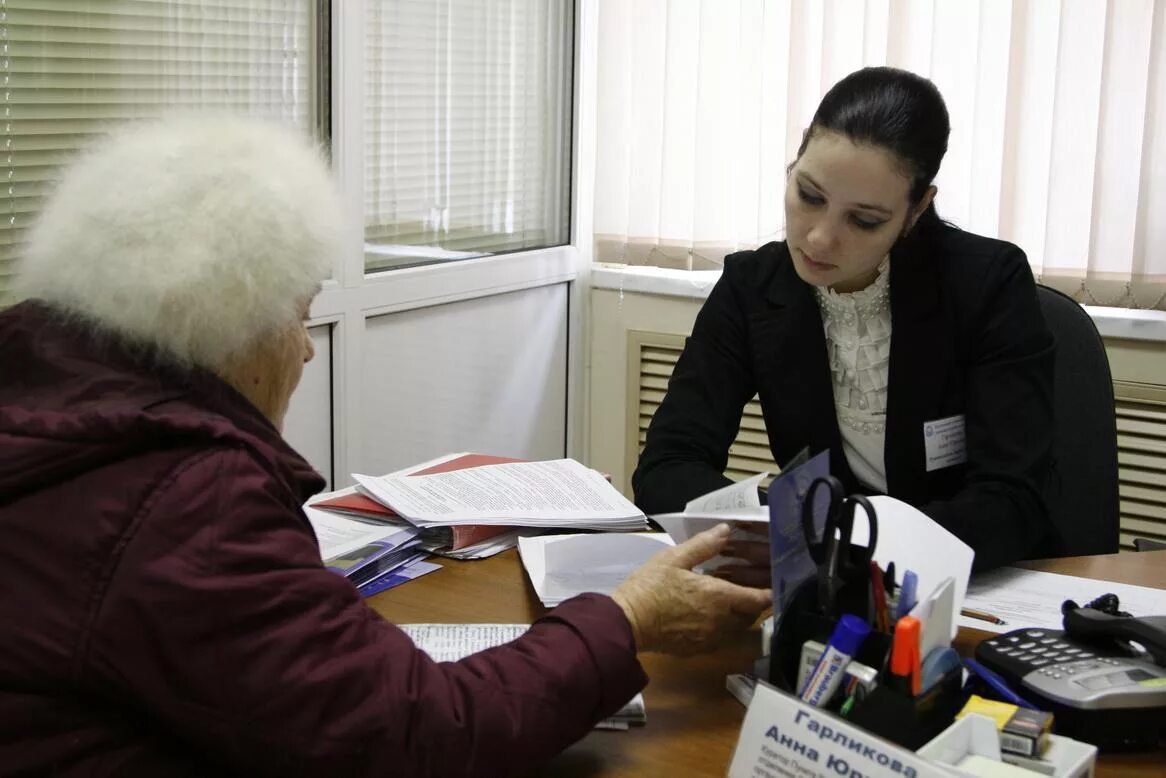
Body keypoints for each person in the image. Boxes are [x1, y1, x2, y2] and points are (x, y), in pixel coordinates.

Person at [0, 117, 772, 776]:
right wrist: (626, 618)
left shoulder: (44, 391)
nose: (305, 351)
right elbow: (422, 735)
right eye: (301, 315)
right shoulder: (183, 499)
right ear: (227, 322)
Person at [633, 67, 1055, 573]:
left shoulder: (986, 283)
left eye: (864, 220)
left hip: (968, 584)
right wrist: (783, 532)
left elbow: (1010, 502)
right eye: (809, 196)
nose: (818, 239)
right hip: (825, 585)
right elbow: (669, 464)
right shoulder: (753, 286)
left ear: (917, 209)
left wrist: (840, 541)